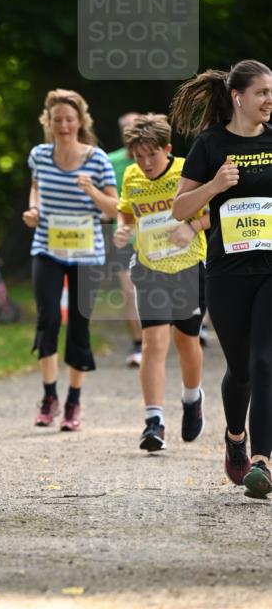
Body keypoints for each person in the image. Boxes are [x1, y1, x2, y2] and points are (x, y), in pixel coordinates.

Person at [170, 60, 272, 498]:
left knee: (265, 360)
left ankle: (263, 462)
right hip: (228, 272)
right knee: (241, 369)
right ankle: (236, 439)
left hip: (270, 269)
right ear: (238, 97)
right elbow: (178, 209)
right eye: (263, 92)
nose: (270, 100)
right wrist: (213, 185)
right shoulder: (210, 144)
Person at [22, 88, 118, 431]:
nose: (62, 125)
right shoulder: (40, 155)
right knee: (48, 319)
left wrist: (91, 190)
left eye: (69, 119)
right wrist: (33, 208)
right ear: (47, 122)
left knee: (79, 324)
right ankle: (49, 397)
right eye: (56, 120)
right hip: (47, 247)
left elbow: (114, 209)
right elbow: (37, 187)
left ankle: (74, 401)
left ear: (80, 122)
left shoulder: (97, 160)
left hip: (86, 254)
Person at [114, 114, 208, 452]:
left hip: (187, 267)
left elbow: (212, 212)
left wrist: (191, 228)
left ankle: (191, 398)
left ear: (167, 149)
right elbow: (127, 212)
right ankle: (153, 422)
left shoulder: (188, 169)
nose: (145, 162)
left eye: (151, 155)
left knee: (186, 342)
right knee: (153, 344)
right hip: (149, 267)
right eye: (138, 156)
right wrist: (125, 228)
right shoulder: (131, 175)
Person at [107, 112, 143, 366]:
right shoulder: (111, 162)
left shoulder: (157, 158)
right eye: (126, 129)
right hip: (122, 236)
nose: (130, 132)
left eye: (135, 127)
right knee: (128, 291)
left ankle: (158, 339)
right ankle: (138, 345)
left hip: (155, 236)